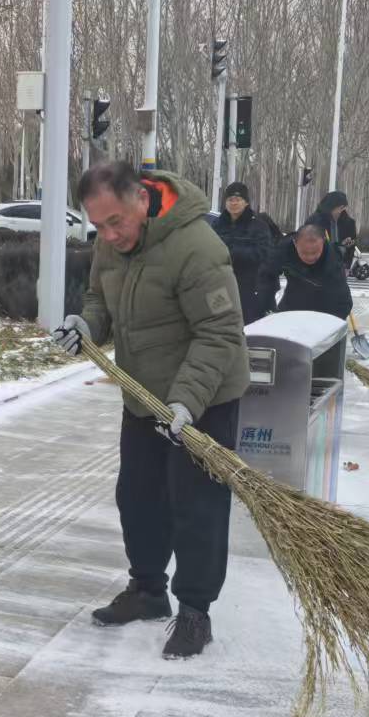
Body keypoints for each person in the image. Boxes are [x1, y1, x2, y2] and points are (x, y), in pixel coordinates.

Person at [50, 162, 249, 660]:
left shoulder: (197, 247)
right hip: (143, 394)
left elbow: (220, 332)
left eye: (115, 221)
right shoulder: (111, 244)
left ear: (142, 198)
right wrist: (86, 326)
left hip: (204, 398)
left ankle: (196, 611)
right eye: (98, 225)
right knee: (138, 497)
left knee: (197, 506)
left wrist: (187, 401)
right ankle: (147, 590)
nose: (108, 235)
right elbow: (100, 299)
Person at [213, 181, 276, 324]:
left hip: (249, 288)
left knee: (247, 327)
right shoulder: (217, 224)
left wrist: (233, 252)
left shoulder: (258, 226)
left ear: (246, 202)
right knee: (221, 324)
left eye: (238, 199)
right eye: (230, 200)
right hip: (221, 285)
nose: (233, 203)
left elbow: (264, 253)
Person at [266, 216, 352, 318]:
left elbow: (344, 302)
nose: (310, 257)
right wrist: (268, 304)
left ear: (323, 242)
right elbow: (266, 275)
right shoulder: (284, 249)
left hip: (325, 309)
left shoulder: (333, 260)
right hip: (292, 304)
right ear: (295, 244)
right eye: (304, 252)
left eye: (315, 252)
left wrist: (332, 323)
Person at [315, 190, 359, 271]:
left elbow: (351, 247)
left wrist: (347, 266)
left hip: (338, 267)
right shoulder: (316, 222)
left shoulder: (349, 223)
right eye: (340, 208)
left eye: (343, 208)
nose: (341, 211)